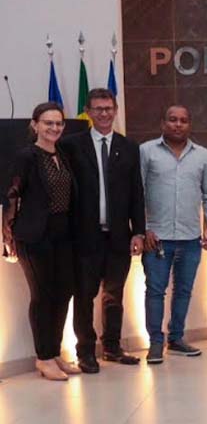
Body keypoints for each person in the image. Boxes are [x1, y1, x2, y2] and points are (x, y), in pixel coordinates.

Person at [60, 88, 145, 373]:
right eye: (98, 109)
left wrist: (139, 231)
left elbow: (136, 192)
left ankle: (112, 347)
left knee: (114, 294)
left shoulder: (129, 147)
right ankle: (85, 351)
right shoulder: (72, 145)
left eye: (108, 108)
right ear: (88, 111)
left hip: (119, 236)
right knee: (84, 296)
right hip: (85, 236)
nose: (104, 113)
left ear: (116, 109)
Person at [2, 102, 80, 380]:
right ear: (35, 125)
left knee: (63, 292)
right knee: (43, 295)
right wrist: (8, 234)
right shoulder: (27, 156)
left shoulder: (63, 155)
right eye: (48, 123)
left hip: (63, 232)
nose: (54, 128)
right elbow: (12, 195)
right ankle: (43, 357)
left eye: (58, 123)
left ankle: (55, 352)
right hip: (34, 235)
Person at [140, 105, 207, 364]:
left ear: (189, 124)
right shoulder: (146, 151)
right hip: (157, 237)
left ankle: (176, 338)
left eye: (183, 120)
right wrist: (143, 228)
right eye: (172, 120)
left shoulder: (202, 156)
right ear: (163, 122)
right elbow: (137, 193)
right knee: (155, 290)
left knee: (184, 290)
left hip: (190, 238)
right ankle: (155, 342)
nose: (178, 124)